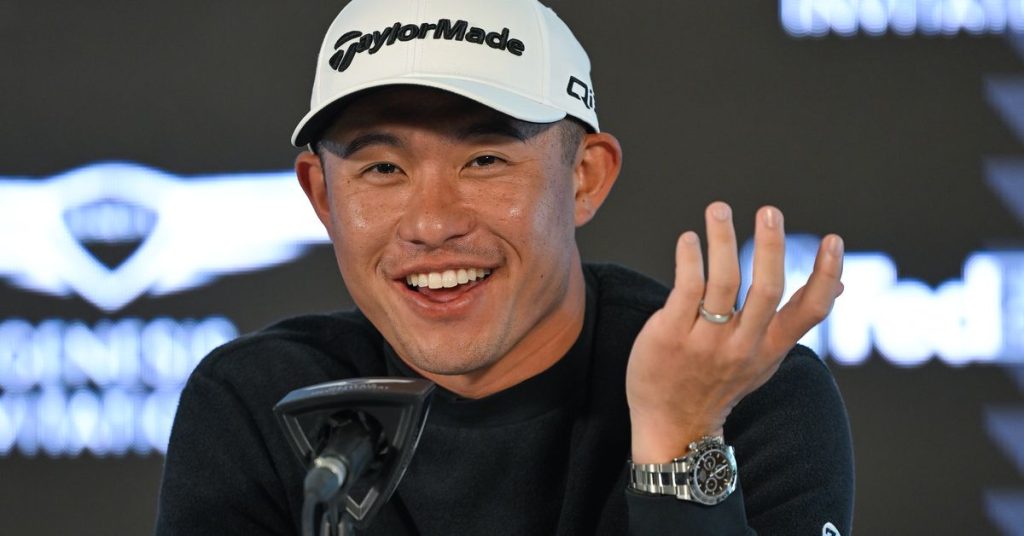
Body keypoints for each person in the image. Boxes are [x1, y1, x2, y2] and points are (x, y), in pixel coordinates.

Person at [155, 0, 854, 534]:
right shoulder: (260, 405)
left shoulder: (746, 397)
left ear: (584, 177)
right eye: (383, 169)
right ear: (322, 196)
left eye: (484, 159)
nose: (432, 223)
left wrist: (681, 444)